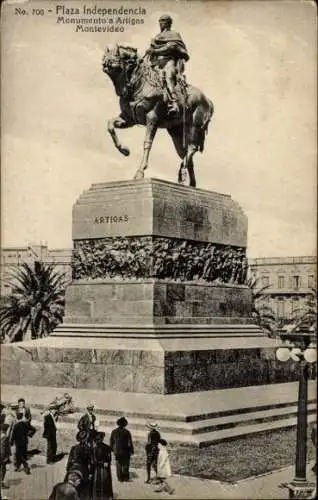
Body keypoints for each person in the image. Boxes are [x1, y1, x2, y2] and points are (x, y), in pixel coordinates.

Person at [146, 14, 189, 114]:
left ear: (168, 23)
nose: (161, 23)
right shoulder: (157, 37)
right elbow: (153, 52)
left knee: (168, 77)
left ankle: (174, 103)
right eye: (160, 21)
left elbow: (172, 47)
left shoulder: (174, 35)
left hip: (169, 61)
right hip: (156, 63)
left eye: (163, 21)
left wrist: (155, 51)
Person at [66, 430, 91, 498]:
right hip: (83, 469)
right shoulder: (87, 448)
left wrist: (68, 469)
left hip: (73, 468)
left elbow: (69, 461)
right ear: (86, 439)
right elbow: (89, 462)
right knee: (85, 487)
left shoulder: (74, 447)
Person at [110, 417, 134, 482]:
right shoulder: (127, 432)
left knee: (118, 464)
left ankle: (119, 478)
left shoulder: (114, 431)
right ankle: (125, 477)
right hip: (125, 450)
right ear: (125, 424)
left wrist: (112, 449)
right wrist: (132, 450)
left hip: (117, 451)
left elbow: (111, 441)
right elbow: (130, 442)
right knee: (125, 464)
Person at [91, 431, 113, 500]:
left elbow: (93, 460)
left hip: (98, 469)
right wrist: (103, 463)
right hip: (101, 469)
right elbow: (108, 460)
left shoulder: (94, 448)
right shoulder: (106, 447)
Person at [0, 423, 11, 489]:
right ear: (6, 429)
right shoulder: (5, 437)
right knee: (3, 470)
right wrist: (4, 458)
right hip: (2, 457)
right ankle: (1, 484)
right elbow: (3, 448)